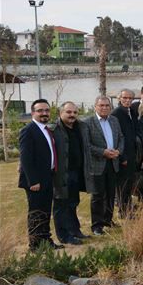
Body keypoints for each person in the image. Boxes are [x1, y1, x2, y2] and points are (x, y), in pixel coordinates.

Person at [19, 99, 62, 250]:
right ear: (33, 113)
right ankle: (35, 244)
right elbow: (26, 158)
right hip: (35, 181)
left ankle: (46, 241)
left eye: (46, 110)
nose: (44, 113)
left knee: (45, 210)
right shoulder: (28, 130)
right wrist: (33, 181)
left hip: (47, 177)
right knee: (36, 212)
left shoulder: (46, 129)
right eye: (40, 111)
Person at [83, 96, 123, 236]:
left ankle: (108, 220)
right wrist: (103, 152)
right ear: (95, 107)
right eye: (101, 105)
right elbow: (87, 145)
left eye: (107, 105)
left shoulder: (114, 120)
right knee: (98, 196)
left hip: (113, 163)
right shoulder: (88, 122)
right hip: (97, 164)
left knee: (111, 194)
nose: (105, 107)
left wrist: (119, 150)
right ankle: (97, 225)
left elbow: (121, 138)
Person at [52, 101, 88, 245]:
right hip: (61, 173)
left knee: (73, 202)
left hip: (76, 172)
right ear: (61, 113)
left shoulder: (80, 127)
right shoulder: (54, 130)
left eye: (74, 112)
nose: (72, 115)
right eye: (68, 112)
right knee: (61, 205)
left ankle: (75, 230)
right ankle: (64, 235)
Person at [112, 89, 139, 219]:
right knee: (122, 186)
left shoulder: (132, 112)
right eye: (125, 98)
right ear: (120, 98)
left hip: (133, 154)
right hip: (123, 155)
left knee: (129, 184)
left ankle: (128, 207)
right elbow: (116, 137)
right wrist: (122, 157)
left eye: (130, 98)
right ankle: (123, 211)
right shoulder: (116, 114)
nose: (127, 100)